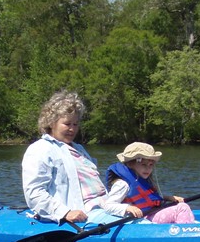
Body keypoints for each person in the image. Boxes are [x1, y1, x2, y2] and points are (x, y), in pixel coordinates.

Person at [22, 91, 139, 223]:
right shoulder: (40, 149)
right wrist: (65, 212)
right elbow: (34, 193)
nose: (72, 129)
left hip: (105, 207)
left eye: (75, 124)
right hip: (84, 214)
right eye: (67, 124)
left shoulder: (79, 149)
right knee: (141, 225)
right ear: (51, 123)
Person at [105, 142, 196, 224]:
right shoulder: (122, 184)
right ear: (130, 164)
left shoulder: (143, 179)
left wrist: (169, 197)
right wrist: (127, 208)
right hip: (144, 219)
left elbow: (149, 197)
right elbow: (108, 206)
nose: (148, 169)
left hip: (152, 214)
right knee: (182, 208)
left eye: (151, 165)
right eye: (143, 165)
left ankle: (186, 227)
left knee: (181, 205)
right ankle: (185, 233)